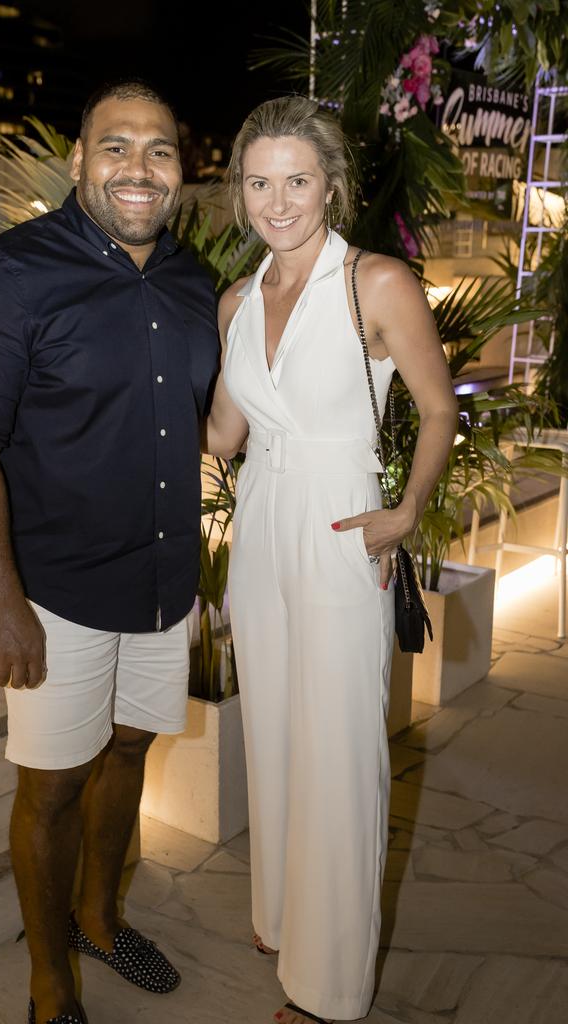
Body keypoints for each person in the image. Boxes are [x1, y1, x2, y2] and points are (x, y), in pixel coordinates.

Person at [0, 80, 219, 1024]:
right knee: (52, 787)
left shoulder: (191, 282)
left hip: (162, 581)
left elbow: (205, 426)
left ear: (183, 170)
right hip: (55, 589)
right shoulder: (10, 274)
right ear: (79, 160)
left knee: (130, 749)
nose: (139, 168)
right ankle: (49, 979)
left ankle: (100, 915)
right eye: (117, 147)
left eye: (161, 150)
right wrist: (1, 600)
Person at [205, 96, 457, 1024]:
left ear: (331, 185)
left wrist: (408, 509)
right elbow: (225, 436)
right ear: (239, 188)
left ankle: (328, 987)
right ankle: (281, 918)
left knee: (341, 751)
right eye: (259, 181)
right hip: (262, 524)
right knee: (272, 728)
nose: (277, 201)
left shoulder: (376, 283)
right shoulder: (235, 299)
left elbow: (438, 408)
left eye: (296, 180)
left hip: (345, 525)